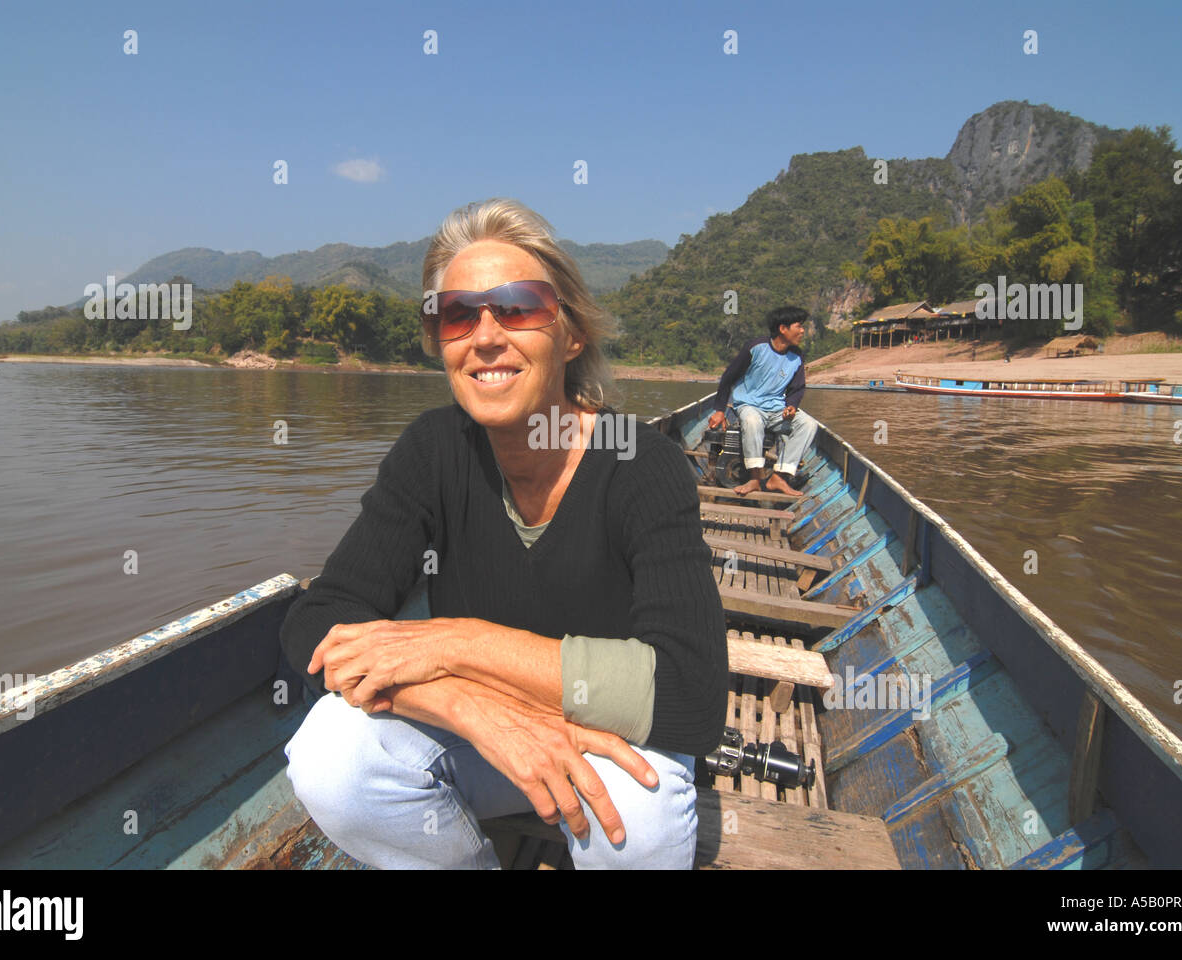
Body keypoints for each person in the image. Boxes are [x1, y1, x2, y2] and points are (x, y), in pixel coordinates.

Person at [278, 198, 727, 869]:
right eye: (456, 314)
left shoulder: (641, 464)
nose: (485, 336)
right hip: (480, 734)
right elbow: (318, 620)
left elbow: (689, 692)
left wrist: (457, 639)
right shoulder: (433, 450)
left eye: (517, 307)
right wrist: (464, 705)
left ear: (571, 335)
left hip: (610, 736)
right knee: (330, 758)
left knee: (634, 826)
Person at [707, 306, 818, 497]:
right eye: (798, 326)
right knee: (752, 421)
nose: (802, 331)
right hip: (749, 405)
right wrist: (719, 410)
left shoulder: (797, 356)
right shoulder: (755, 348)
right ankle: (755, 478)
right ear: (783, 329)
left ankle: (779, 477)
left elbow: (797, 388)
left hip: (776, 409)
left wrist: (791, 405)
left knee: (808, 424)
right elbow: (728, 378)